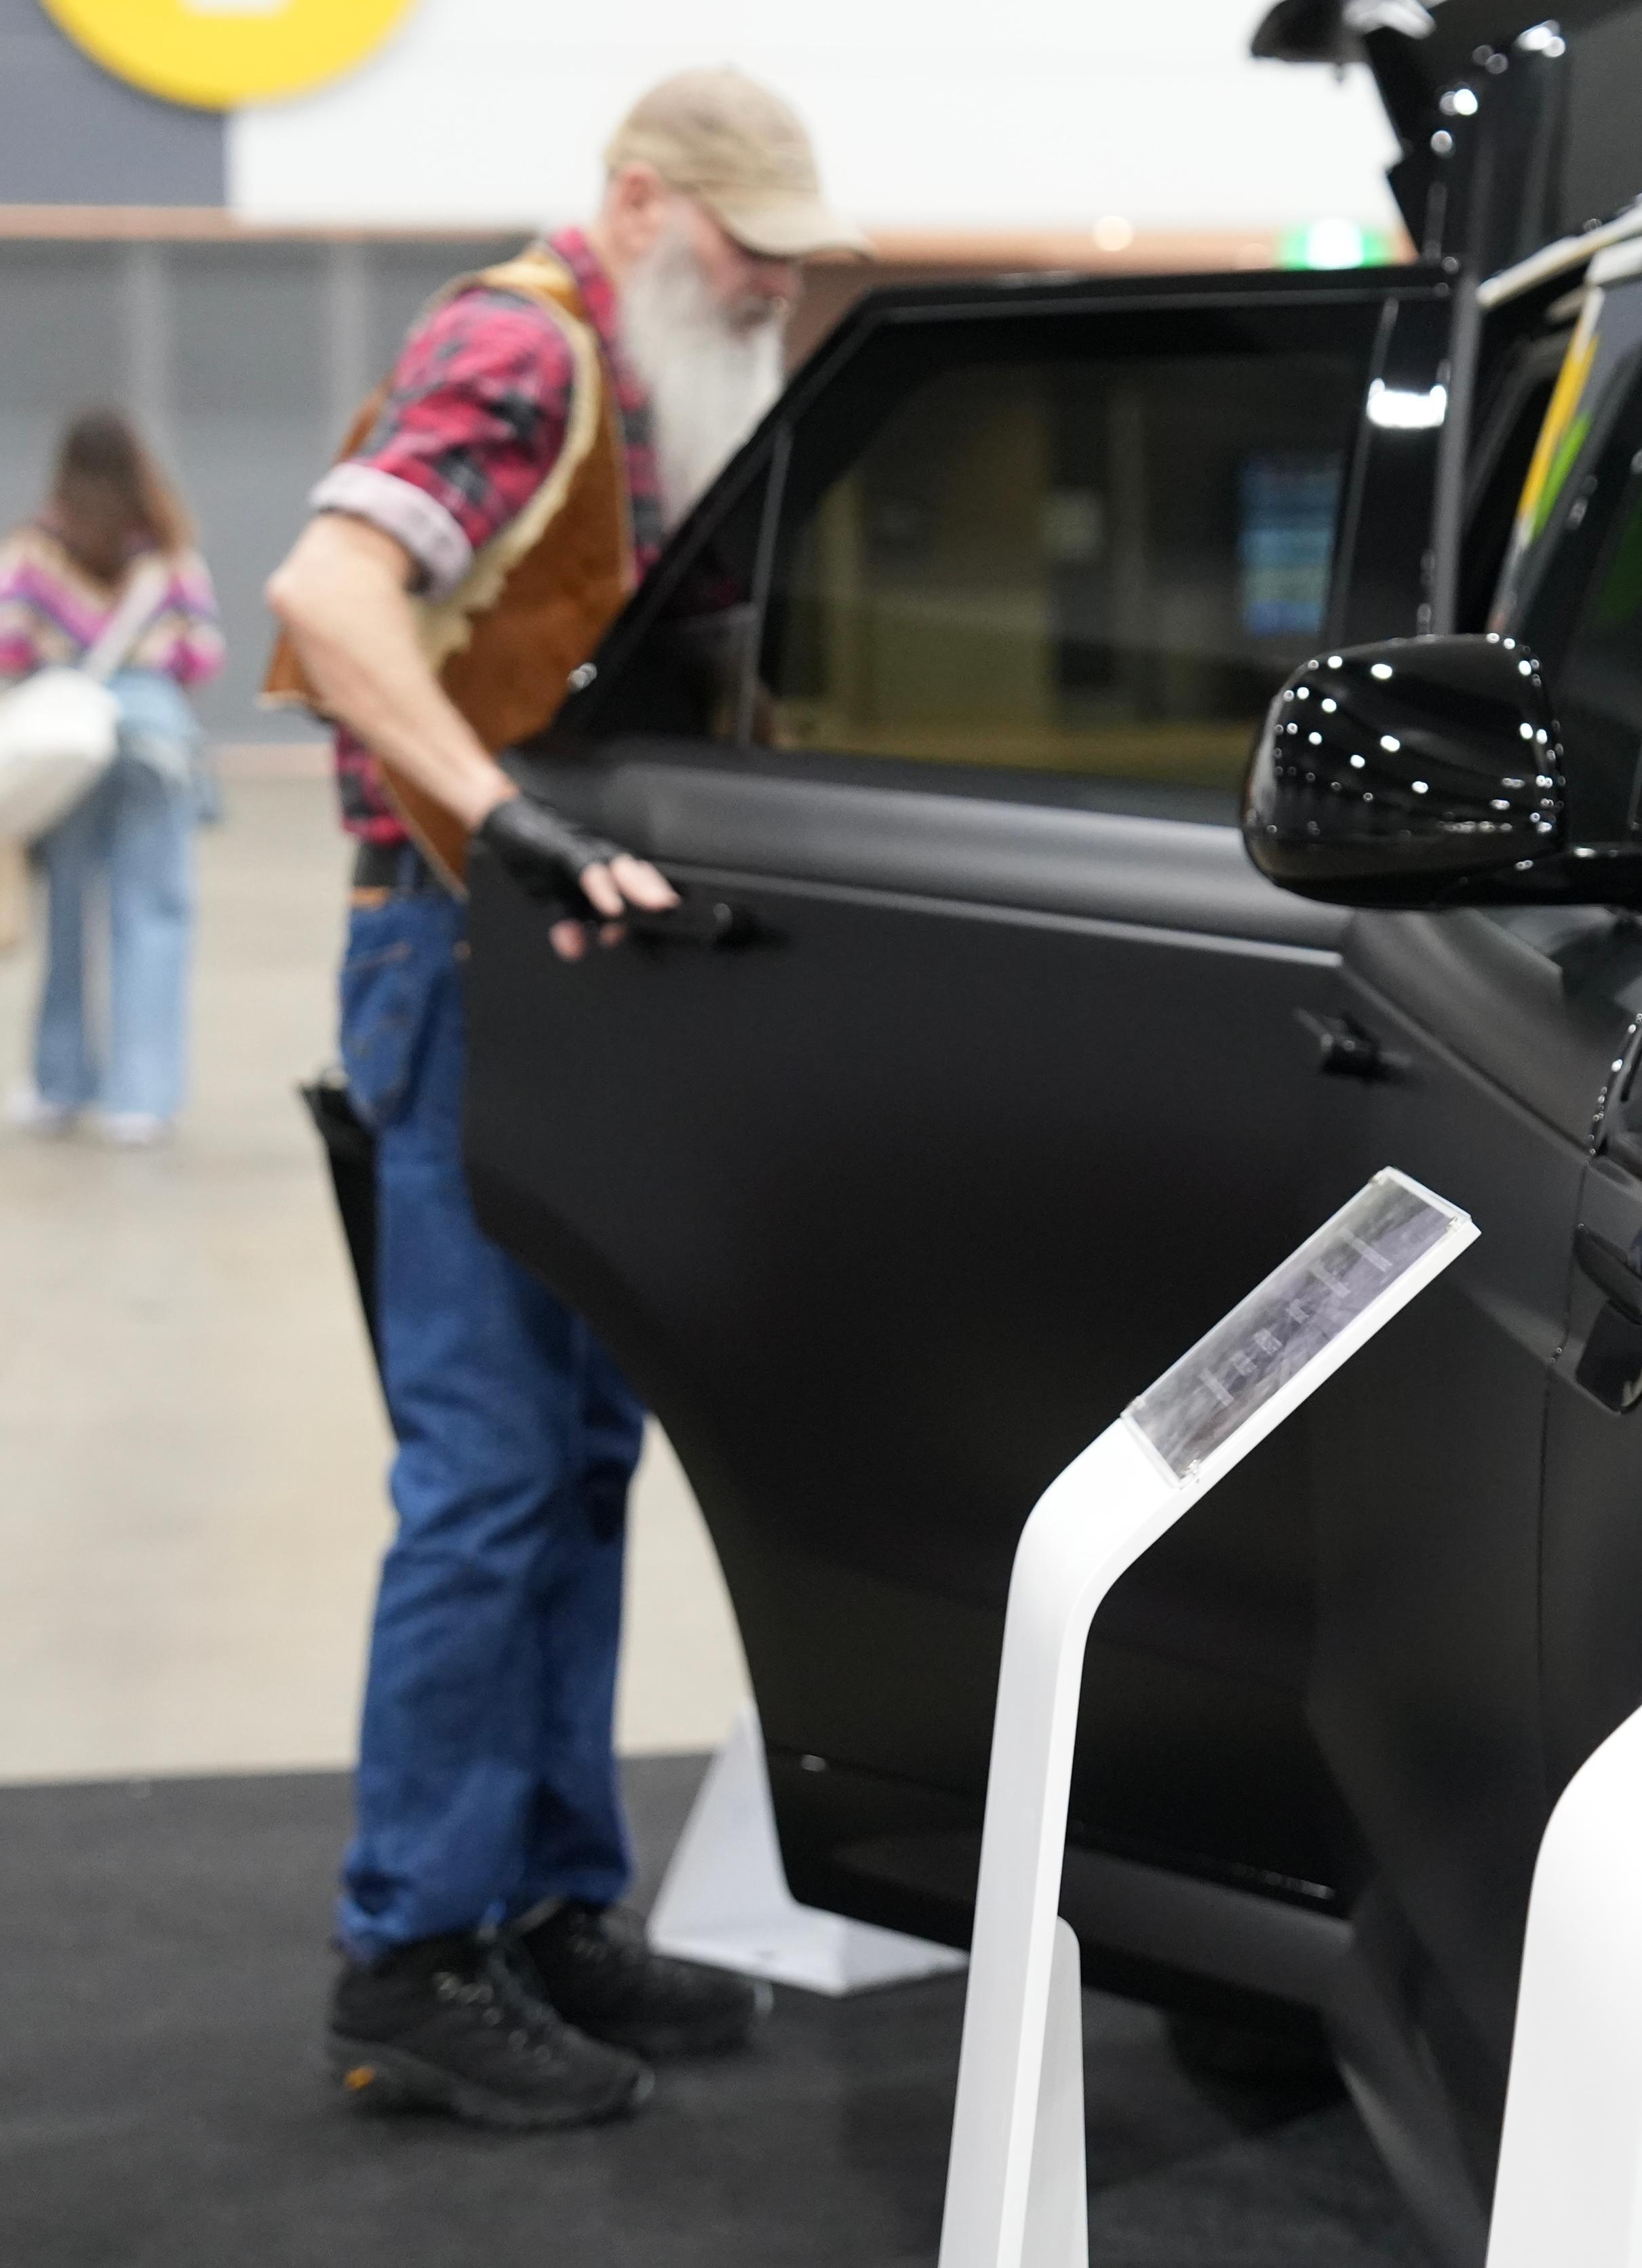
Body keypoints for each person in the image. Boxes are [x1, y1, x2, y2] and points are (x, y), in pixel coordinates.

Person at [263, 67, 866, 2132]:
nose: (771, 287)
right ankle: (410, 1951)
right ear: (636, 203)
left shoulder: (644, 392)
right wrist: (506, 819)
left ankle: (539, 1900)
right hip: (453, 953)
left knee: (578, 1458)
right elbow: (328, 599)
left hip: (550, 977)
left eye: (792, 260)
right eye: (741, 250)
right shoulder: (520, 346)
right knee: (491, 1471)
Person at [1, 412, 223, 1145]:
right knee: (154, 914)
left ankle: (62, 1084)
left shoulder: (37, 551)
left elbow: (9, 645)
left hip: (67, 745)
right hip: (155, 743)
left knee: (68, 913)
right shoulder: (167, 553)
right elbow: (202, 653)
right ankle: (143, 1098)